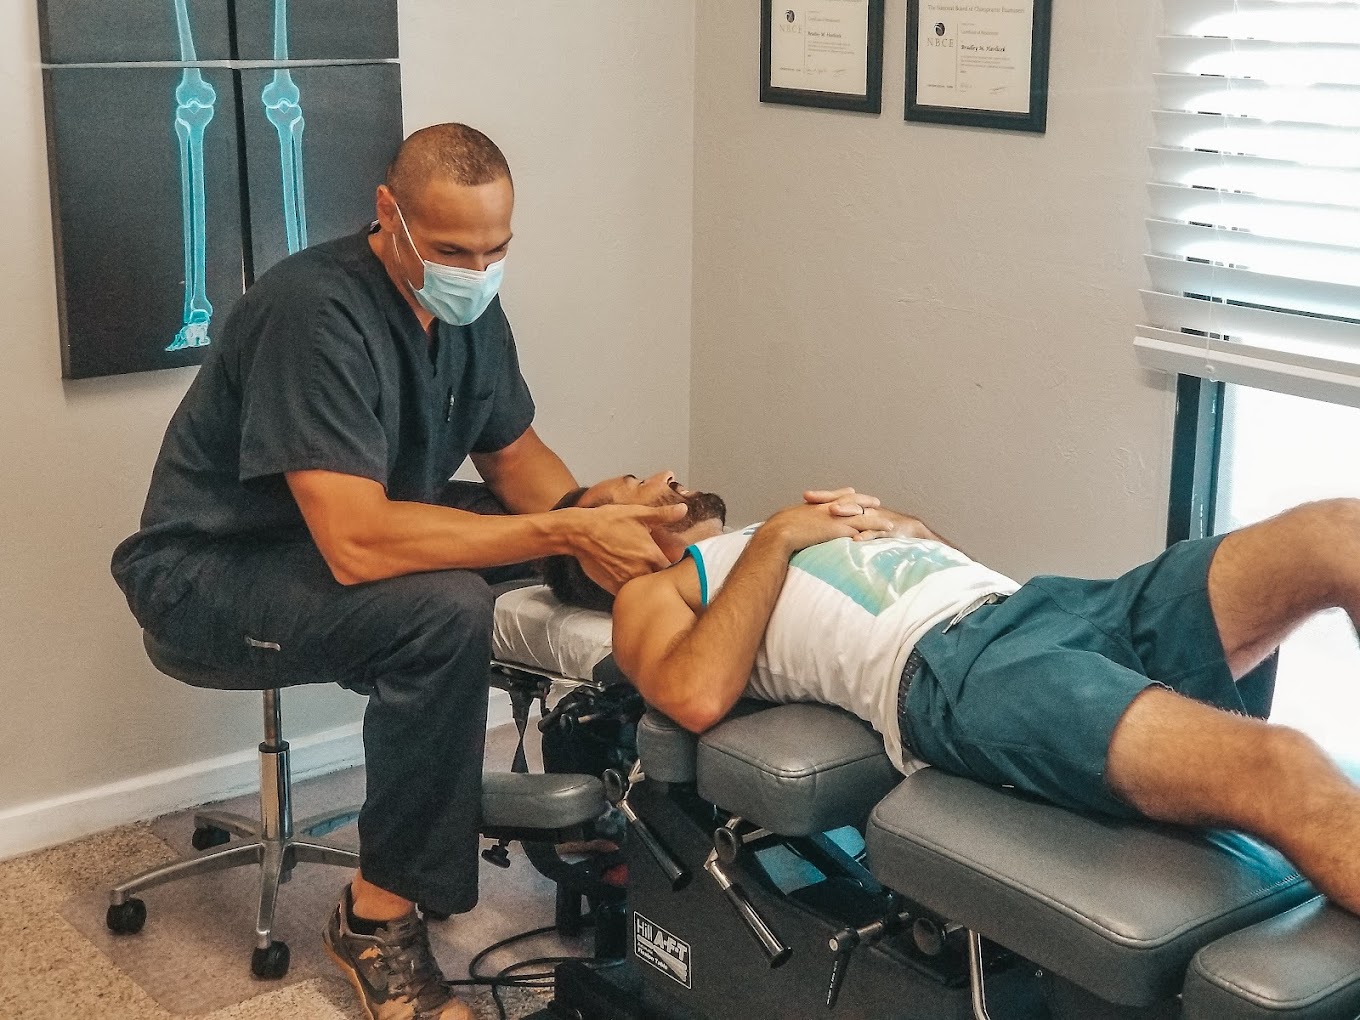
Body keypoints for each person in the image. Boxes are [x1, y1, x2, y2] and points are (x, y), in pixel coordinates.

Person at [111, 124, 686, 1020]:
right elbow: (358, 545)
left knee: (589, 542)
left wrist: (598, 520)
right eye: (455, 249)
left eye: (497, 249)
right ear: (390, 216)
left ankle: (609, 816)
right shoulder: (314, 310)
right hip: (209, 576)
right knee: (446, 609)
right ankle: (376, 921)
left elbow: (515, 461)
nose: (478, 268)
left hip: (324, 545)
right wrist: (561, 530)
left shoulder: (468, 310)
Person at [544, 480, 1360, 917]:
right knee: (1283, 766)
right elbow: (692, 695)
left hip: (1045, 607)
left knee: (1338, 534)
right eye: (628, 488)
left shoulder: (759, 535)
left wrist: (914, 529)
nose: (662, 478)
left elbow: (945, 576)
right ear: (600, 553)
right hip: (958, 673)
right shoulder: (649, 597)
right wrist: (779, 537)